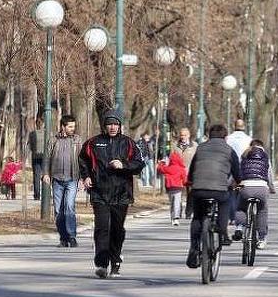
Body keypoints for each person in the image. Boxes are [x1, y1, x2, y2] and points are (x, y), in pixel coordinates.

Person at [79, 109, 144, 278]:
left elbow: (139, 164)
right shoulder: (92, 143)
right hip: (99, 193)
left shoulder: (128, 143)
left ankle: (115, 262)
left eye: (115, 124)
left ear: (120, 126)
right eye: (109, 124)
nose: (113, 127)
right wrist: (85, 177)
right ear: (104, 126)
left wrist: (123, 165)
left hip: (121, 193)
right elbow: (82, 160)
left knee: (117, 229)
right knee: (102, 228)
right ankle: (101, 264)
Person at [185, 124, 241, 269]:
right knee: (225, 201)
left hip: (198, 189)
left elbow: (192, 169)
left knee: (197, 217)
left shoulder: (201, 148)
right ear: (225, 137)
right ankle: (222, 232)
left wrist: (191, 181)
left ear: (209, 136)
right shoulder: (229, 150)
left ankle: (194, 248)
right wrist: (239, 183)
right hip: (219, 190)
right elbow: (237, 172)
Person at [44, 114, 83, 247]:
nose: (73, 129)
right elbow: (47, 157)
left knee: (69, 207)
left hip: (72, 178)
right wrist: (45, 174)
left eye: (74, 126)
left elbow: (82, 159)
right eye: (70, 126)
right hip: (56, 179)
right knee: (58, 210)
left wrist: (83, 178)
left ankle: (72, 236)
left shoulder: (77, 140)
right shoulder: (53, 140)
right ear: (63, 126)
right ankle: (63, 238)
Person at [233, 139, 275, 249]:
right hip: (262, 187)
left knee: (240, 207)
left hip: (245, 186)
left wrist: (234, 186)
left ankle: (239, 227)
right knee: (262, 210)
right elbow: (269, 175)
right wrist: (272, 188)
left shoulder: (244, 155)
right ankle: (261, 239)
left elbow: (238, 173)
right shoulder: (265, 157)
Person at [157, 151, 187, 226]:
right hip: (178, 188)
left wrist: (161, 163)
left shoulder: (168, 168)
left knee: (172, 203)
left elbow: (160, 169)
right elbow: (184, 179)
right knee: (177, 202)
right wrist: (185, 184)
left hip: (170, 188)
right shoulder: (181, 169)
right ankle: (176, 217)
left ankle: (172, 217)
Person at [174, 128, 198, 219]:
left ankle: (188, 212)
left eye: (184, 135)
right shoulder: (175, 146)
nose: (183, 137)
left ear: (188, 135)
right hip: (178, 173)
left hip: (190, 173)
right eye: (181, 135)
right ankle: (177, 212)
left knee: (190, 194)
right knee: (178, 194)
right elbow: (171, 158)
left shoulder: (194, 145)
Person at [27, 117, 45, 201]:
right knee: (46, 175)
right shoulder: (47, 133)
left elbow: (30, 146)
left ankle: (37, 195)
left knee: (36, 176)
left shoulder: (32, 134)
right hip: (45, 157)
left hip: (35, 157)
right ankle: (46, 193)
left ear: (36, 124)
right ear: (43, 124)